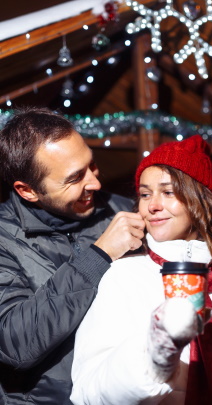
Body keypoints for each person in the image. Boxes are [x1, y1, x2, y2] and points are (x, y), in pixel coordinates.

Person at [71, 135, 212, 405]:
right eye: (144, 194)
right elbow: (89, 392)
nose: (152, 205)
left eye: (168, 192)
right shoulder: (124, 276)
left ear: (199, 200)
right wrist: (156, 356)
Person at [0, 107, 145, 405]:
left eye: (91, 166)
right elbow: (15, 346)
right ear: (28, 191)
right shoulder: (3, 237)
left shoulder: (121, 210)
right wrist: (99, 256)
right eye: (75, 178)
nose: (95, 183)